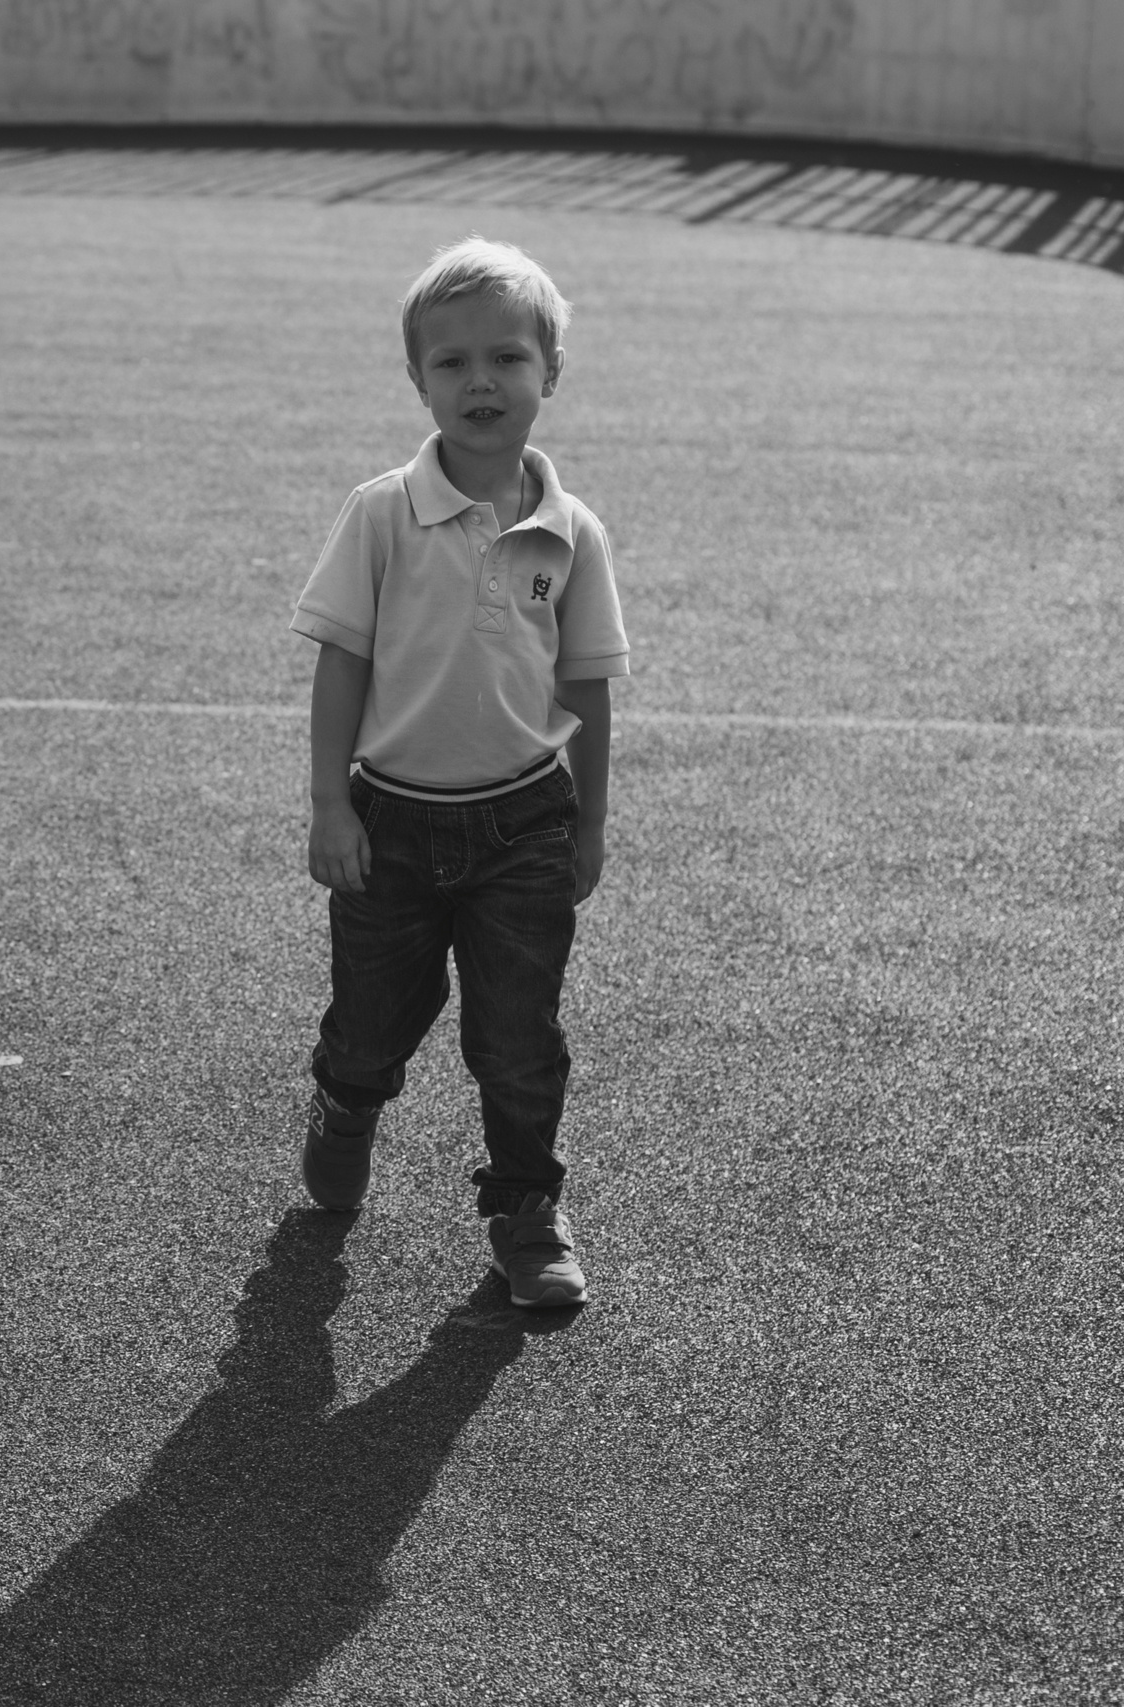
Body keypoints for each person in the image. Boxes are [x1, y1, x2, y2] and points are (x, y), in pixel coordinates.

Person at [290, 236, 629, 1308]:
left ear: (550, 373)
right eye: (451, 364)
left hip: (524, 820)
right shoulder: (382, 510)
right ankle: (346, 1102)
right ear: (417, 380)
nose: (481, 382)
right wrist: (329, 801)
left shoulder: (569, 532)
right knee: (373, 1019)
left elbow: (587, 686)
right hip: (391, 820)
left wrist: (588, 826)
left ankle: (524, 1211)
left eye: (507, 359)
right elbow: (341, 660)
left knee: (518, 1035)